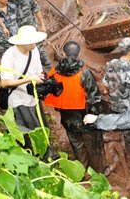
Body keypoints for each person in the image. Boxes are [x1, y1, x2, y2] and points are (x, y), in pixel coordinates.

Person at [44, 41, 104, 171]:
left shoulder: (53, 72)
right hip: (85, 117)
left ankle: (82, 170)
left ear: (64, 53)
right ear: (79, 53)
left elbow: (49, 92)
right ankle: (99, 172)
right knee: (94, 146)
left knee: (77, 145)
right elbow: (94, 97)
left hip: (67, 118)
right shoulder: (84, 73)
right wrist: (97, 116)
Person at [102, 37, 130, 176]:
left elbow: (106, 84)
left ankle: (129, 150)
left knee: (125, 129)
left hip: (116, 105)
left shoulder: (112, 63)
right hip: (129, 107)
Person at [0, 25, 47, 132]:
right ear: (24, 42)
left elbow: (38, 71)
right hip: (19, 100)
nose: (35, 44)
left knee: (40, 128)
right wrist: (30, 79)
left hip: (33, 97)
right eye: (32, 42)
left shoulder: (34, 51)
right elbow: (5, 83)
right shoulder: (9, 56)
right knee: (28, 131)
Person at [9, 0, 51, 72]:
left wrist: (42, 24)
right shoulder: (7, 1)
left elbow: (36, 9)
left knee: (39, 48)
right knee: (23, 52)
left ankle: (48, 68)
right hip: (18, 33)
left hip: (31, 29)